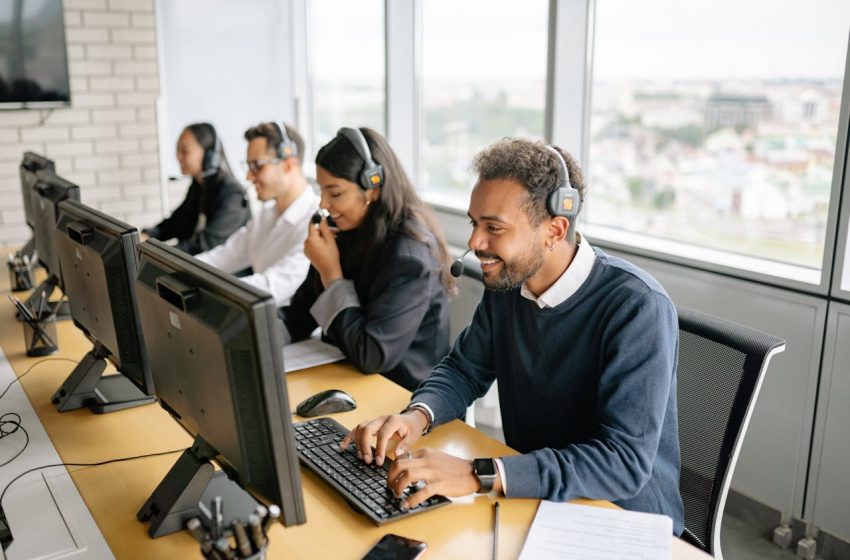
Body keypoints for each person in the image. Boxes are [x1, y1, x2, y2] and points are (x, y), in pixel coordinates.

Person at [342, 138, 684, 533]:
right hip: (536, 494)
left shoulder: (637, 307)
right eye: (475, 223)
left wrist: (480, 473)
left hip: (620, 517)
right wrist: (417, 417)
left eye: (494, 228)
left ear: (554, 229)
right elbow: (464, 369)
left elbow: (623, 462)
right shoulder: (508, 285)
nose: (474, 242)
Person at [278, 127, 455, 392]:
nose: (323, 203)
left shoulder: (409, 257)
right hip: (349, 380)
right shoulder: (347, 232)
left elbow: (371, 355)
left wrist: (331, 274)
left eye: (335, 193)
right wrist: (253, 337)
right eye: (322, 190)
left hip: (401, 397)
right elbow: (300, 315)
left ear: (373, 187)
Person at [194, 122, 318, 306]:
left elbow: (272, 286)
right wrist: (180, 269)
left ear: (288, 164)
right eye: (248, 167)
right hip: (263, 321)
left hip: (294, 330)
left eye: (257, 166)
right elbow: (225, 256)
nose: (248, 177)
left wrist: (209, 290)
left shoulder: (315, 221)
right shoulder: (266, 216)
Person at [142, 123, 250, 255]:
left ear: (209, 155)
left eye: (185, 151)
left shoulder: (232, 194)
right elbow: (175, 223)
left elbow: (205, 245)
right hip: (202, 266)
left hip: (228, 272)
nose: (178, 157)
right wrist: (147, 236)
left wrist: (158, 253)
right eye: (178, 149)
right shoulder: (199, 185)